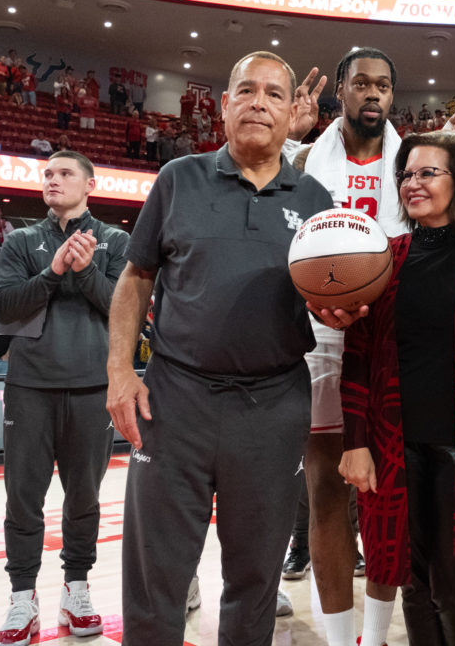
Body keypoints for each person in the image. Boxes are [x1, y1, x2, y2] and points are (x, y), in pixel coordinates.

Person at [106, 50, 335, 646]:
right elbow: (135, 279)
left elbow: (329, 297)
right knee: (156, 579)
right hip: (175, 401)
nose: (259, 102)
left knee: (256, 579)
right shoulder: (178, 178)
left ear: (292, 116)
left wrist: (339, 310)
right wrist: (120, 372)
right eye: (247, 90)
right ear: (224, 105)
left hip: (274, 404)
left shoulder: (315, 201)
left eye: (274, 94)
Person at [294, 47, 455, 646]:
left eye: (383, 85)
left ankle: (375, 634)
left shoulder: (409, 164)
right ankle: (341, 635)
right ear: (341, 93)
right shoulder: (304, 158)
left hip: (389, 347)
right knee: (327, 490)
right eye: (360, 84)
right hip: (318, 336)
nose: (372, 93)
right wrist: (287, 139)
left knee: (388, 501)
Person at [340, 132, 455, 646]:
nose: (413, 183)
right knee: (410, 584)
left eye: (427, 173)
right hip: (395, 444)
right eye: (406, 175)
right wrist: (355, 441)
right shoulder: (384, 257)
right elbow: (358, 354)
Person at [0, 150, 128, 646]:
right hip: (29, 387)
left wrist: (88, 272)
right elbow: (3, 308)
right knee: (22, 500)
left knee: (85, 499)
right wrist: (50, 273)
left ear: (90, 184)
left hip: (93, 387)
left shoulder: (115, 240)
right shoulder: (23, 240)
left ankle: (77, 589)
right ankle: (22, 599)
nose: (52, 180)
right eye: (47, 174)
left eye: (65, 173)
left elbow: (123, 311)